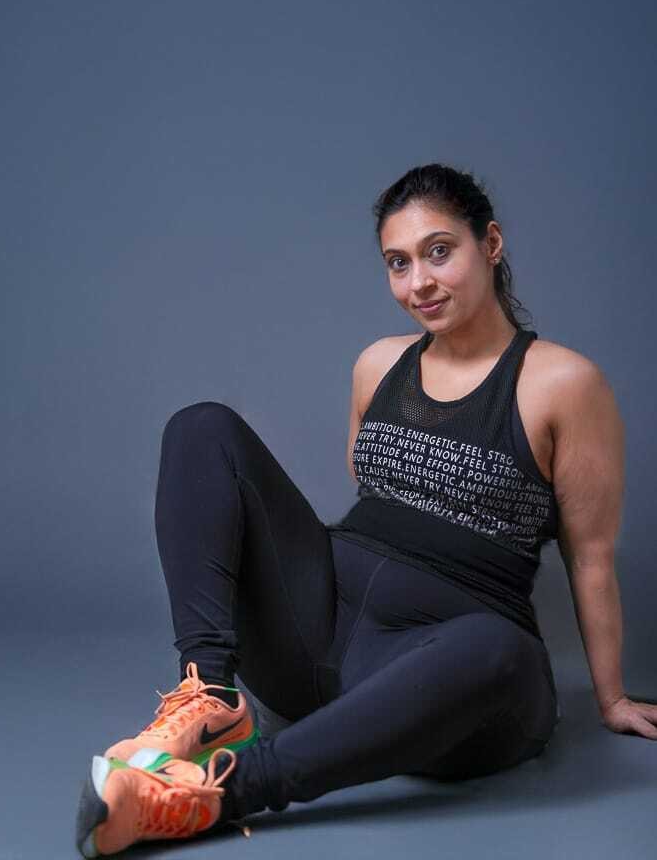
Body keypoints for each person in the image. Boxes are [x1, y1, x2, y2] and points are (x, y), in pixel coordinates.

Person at [75, 163, 652, 858]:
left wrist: (610, 699)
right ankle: (211, 699)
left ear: (491, 244)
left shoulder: (563, 383)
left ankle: (215, 795)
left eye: (439, 251)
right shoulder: (378, 364)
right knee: (201, 427)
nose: (419, 283)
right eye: (398, 263)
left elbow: (589, 557)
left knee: (503, 647)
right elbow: (374, 491)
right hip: (312, 637)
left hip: (442, 675)